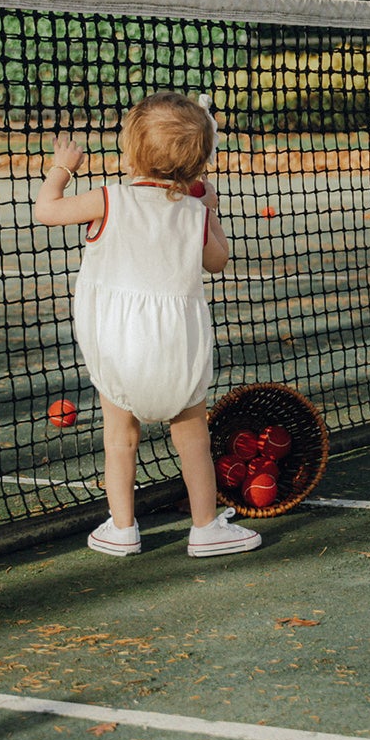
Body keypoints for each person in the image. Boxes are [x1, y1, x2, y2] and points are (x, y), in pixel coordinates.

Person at [33, 91, 260, 558]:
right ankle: (205, 528)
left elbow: (47, 210)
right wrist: (209, 208)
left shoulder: (109, 199)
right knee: (191, 435)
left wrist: (63, 166)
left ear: (131, 151)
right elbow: (218, 261)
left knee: (120, 436)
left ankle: (121, 529)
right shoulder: (194, 211)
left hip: (118, 346)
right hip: (178, 346)